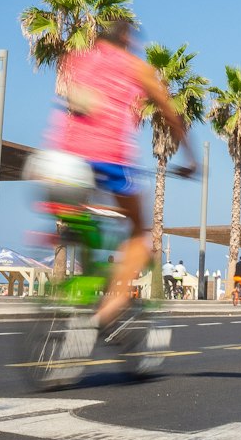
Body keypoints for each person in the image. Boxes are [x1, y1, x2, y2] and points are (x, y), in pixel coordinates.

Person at [43, 17, 196, 330]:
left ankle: (84, 288)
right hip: (108, 160)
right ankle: (111, 305)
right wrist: (190, 158)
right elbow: (169, 112)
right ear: (127, 39)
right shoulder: (134, 66)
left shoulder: (76, 58)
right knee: (139, 231)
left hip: (60, 161)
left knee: (81, 222)